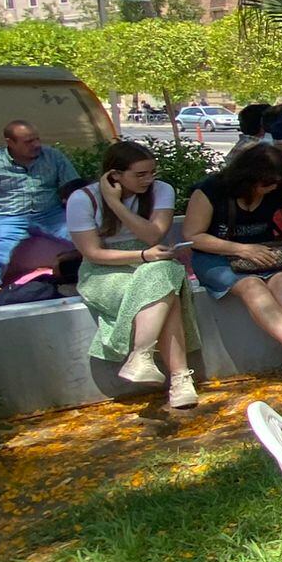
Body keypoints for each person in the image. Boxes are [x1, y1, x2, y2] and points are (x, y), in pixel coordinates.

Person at [180, 144, 282, 384]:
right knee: (252, 286)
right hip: (217, 256)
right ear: (248, 178)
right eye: (266, 184)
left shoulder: (279, 188)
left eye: (275, 184)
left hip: (264, 252)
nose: (271, 189)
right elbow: (193, 236)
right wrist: (241, 249)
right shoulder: (210, 190)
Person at [67, 141, 198, 409]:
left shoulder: (162, 191)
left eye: (152, 173)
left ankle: (142, 356)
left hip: (151, 262)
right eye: (140, 175)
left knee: (164, 272)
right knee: (166, 290)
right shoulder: (82, 199)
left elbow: (152, 235)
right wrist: (140, 254)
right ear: (114, 176)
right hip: (104, 270)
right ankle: (179, 378)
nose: (148, 180)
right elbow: (92, 253)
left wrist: (118, 207)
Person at [0, 120, 79, 291]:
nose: (36, 145)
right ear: (10, 143)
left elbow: (74, 188)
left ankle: (95, 270)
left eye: (37, 139)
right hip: (8, 216)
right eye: (28, 142)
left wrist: (85, 214)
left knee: (82, 234)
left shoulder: (53, 156)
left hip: (50, 214)